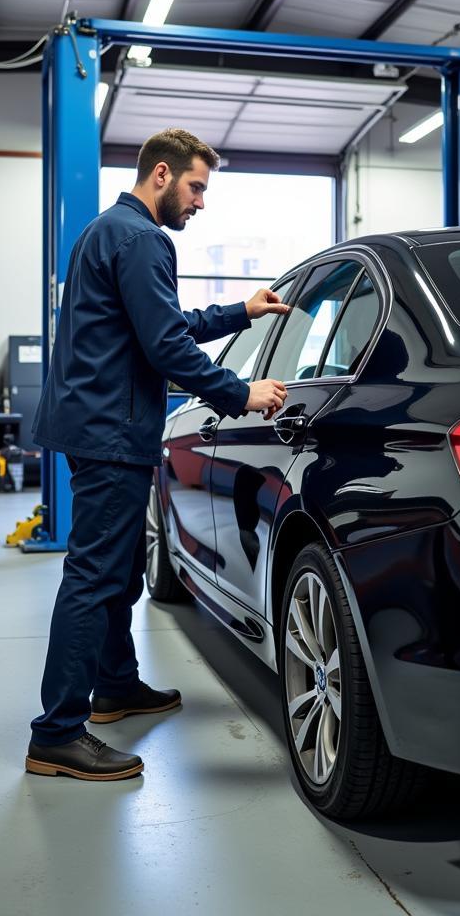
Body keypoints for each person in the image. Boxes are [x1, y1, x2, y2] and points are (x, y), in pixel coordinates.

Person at [27, 128, 289, 781]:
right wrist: (241, 393)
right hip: (111, 430)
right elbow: (168, 347)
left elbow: (162, 323)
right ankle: (57, 732)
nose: (201, 202)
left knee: (116, 569)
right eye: (198, 186)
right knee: (94, 576)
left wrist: (241, 311)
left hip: (95, 424)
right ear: (164, 173)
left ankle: (115, 686)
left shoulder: (108, 230)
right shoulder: (144, 239)